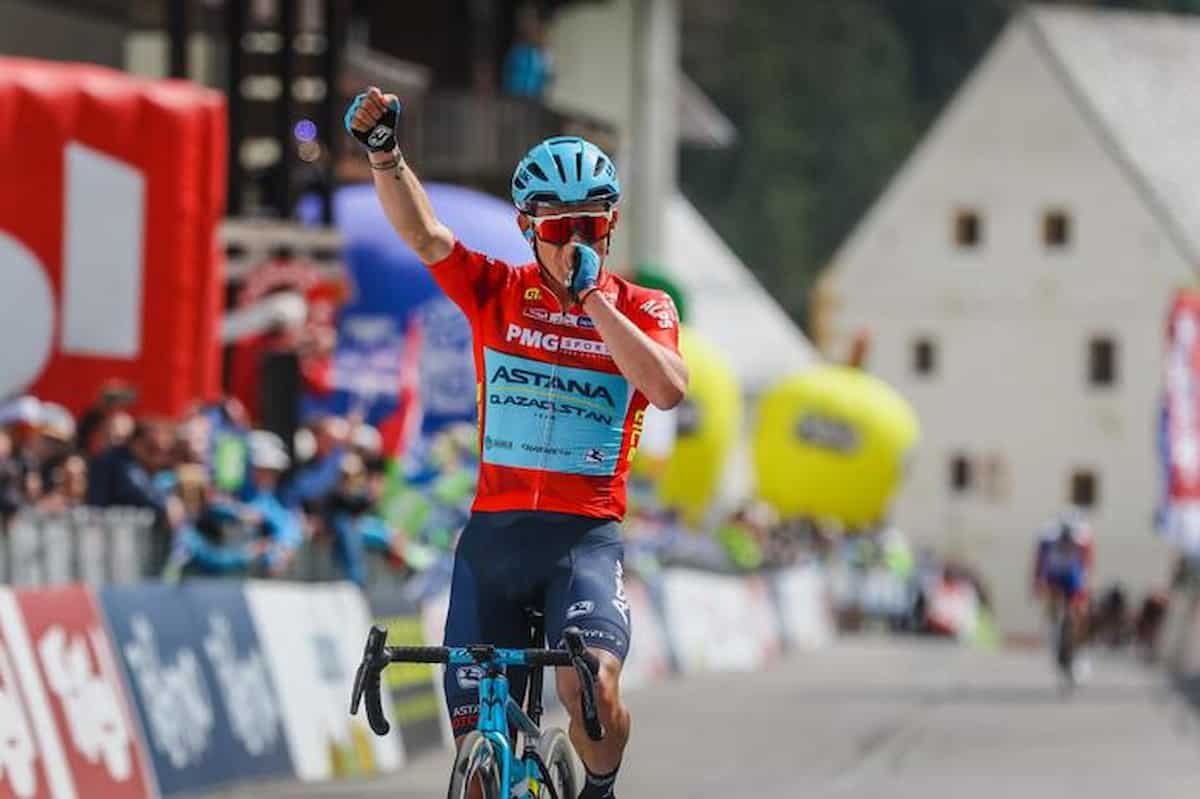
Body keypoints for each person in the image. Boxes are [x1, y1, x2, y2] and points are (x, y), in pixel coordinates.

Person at [345, 87, 688, 799]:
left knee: (589, 687)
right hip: (494, 540)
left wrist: (592, 301)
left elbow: (666, 388)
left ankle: (597, 789)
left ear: (611, 225)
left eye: (591, 228)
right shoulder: (497, 292)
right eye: (559, 229)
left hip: (582, 541)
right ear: (530, 227)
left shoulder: (643, 307)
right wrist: (385, 157)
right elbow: (427, 237)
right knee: (476, 748)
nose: (575, 245)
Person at [1032, 508, 1095, 641]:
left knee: (1079, 605)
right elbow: (1040, 559)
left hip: (1072, 572)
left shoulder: (1082, 539)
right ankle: (1053, 624)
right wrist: (1038, 580)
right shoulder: (1048, 538)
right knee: (1053, 600)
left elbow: (1087, 562)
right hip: (1055, 571)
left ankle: (1075, 634)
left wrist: (1085, 582)